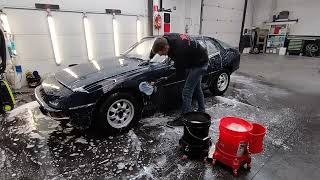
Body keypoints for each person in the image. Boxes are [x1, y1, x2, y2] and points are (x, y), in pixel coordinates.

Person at [150, 33, 209, 127]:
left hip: (200, 63)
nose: (161, 55)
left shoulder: (179, 51)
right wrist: (150, 58)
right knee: (197, 88)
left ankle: (184, 118)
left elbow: (180, 74)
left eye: (161, 53)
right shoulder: (165, 38)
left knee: (187, 91)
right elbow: (155, 47)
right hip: (195, 59)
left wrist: (165, 79)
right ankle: (202, 110)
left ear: (166, 47)